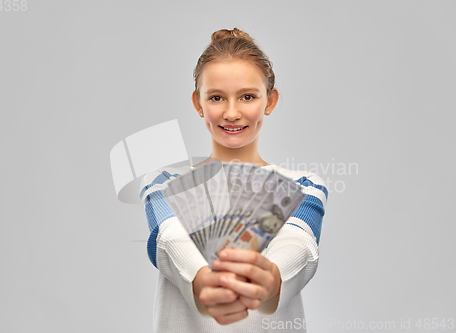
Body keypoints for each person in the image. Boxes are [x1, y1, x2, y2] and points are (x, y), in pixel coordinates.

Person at [139, 28, 328, 332]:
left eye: (248, 97)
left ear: (270, 100)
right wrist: (202, 280)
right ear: (198, 103)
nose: (231, 113)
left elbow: (300, 242)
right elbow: (168, 239)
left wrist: (272, 277)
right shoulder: (161, 183)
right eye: (216, 97)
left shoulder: (305, 185)